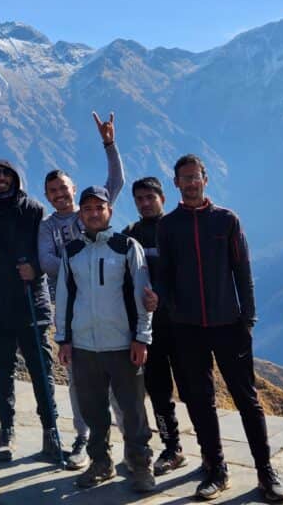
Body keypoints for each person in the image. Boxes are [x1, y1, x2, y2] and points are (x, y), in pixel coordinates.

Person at [154, 154, 283, 502]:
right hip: (187, 328)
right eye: (184, 178)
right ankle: (216, 469)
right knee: (200, 401)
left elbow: (242, 270)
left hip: (229, 324)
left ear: (205, 178)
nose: (191, 182)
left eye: (195, 176)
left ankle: (266, 472)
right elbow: (164, 276)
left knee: (248, 400)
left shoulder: (226, 220)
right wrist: (170, 306)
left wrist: (248, 318)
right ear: (176, 184)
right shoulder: (168, 226)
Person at [37, 111, 125, 469]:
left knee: (118, 381)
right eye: (53, 191)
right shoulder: (46, 228)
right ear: (46, 196)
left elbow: (116, 180)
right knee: (78, 381)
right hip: (70, 314)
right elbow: (47, 264)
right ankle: (83, 438)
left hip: (110, 307)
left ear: (74, 189)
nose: (59, 195)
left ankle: (132, 440)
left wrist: (109, 143)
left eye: (64, 188)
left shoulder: (91, 212)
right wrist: (86, 263)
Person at [55, 186, 155, 492]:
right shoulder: (71, 251)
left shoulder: (126, 247)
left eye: (99, 207)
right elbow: (64, 297)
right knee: (93, 410)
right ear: (80, 215)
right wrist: (63, 339)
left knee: (133, 410)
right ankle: (101, 463)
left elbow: (142, 293)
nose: (93, 213)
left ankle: (140, 465)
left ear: (109, 211)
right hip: (85, 346)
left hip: (123, 344)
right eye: (87, 209)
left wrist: (142, 337)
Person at [0, 161, 58, 462]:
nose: (1, 179)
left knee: (41, 370)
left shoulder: (32, 209)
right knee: (2, 369)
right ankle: (6, 430)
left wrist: (34, 266)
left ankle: (51, 430)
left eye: (7, 174)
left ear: (15, 178)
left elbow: (46, 249)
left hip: (31, 298)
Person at [122, 177, 187, 475]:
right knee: (159, 392)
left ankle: (213, 453)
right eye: (139, 199)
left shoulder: (177, 227)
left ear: (162, 197)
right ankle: (172, 448)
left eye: (150, 197)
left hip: (185, 326)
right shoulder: (131, 235)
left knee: (195, 392)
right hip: (149, 329)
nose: (145, 203)